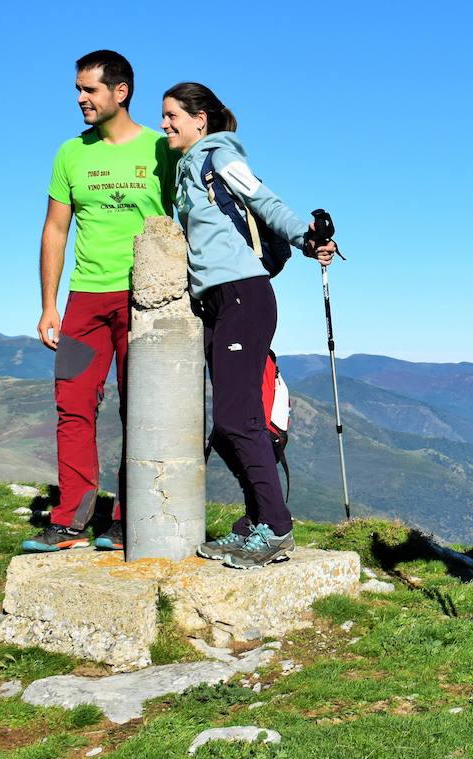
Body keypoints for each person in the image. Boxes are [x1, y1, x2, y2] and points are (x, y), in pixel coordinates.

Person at [160, 82, 333, 569]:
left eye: (173, 115)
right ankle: (258, 520)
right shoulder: (189, 166)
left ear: (201, 119)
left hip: (242, 296)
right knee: (228, 426)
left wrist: (307, 237)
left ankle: (276, 529)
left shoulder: (218, 156)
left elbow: (264, 199)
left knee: (238, 419)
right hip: (219, 301)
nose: (165, 123)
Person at [24, 50, 176, 553]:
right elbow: (55, 229)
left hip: (147, 302)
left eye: (89, 89)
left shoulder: (163, 149)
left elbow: (194, 214)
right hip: (83, 302)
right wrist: (50, 305)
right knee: (72, 404)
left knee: (143, 409)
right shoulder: (71, 153)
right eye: (78, 89)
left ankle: (130, 519)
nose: (80, 98)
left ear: (120, 91)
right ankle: (70, 519)